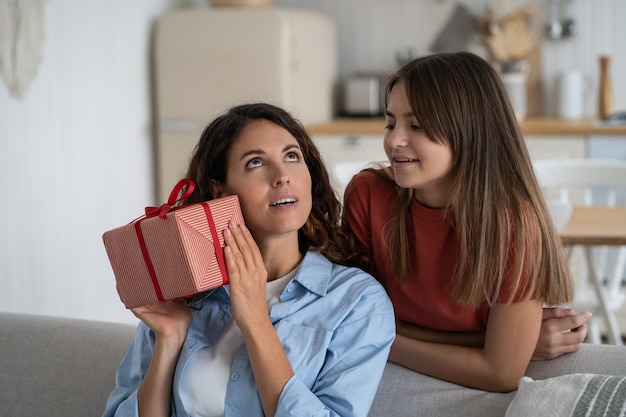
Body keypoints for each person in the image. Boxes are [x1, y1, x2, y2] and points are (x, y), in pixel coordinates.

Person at [103, 103, 395, 417]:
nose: (282, 176)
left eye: (292, 156)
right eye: (256, 162)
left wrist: (256, 320)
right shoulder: (186, 294)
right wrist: (169, 337)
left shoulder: (357, 301)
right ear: (219, 192)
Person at [342, 51, 585, 393]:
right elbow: (350, 320)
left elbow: (500, 373)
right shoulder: (366, 196)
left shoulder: (513, 223)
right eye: (390, 122)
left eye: (417, 125)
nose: (394, 140)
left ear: (471, 130)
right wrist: (489, 340)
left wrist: (383, 339)